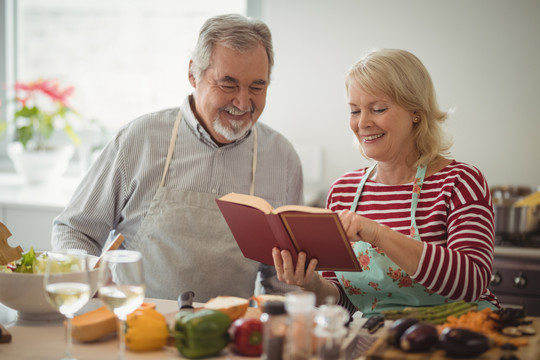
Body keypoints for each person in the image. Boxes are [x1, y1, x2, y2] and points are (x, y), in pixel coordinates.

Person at [52, 14, 304, 302]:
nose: (243, 102)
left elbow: (284, 283)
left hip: (229, 337)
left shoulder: (282, 159)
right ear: (193, 74)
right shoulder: (139, 139)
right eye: (228, 84)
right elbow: (75, 230)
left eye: (257, 87)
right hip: (135, 325)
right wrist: (88, 278)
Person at [272, 48, 500, 316]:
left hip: (460, 335)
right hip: (381, 338)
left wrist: (378, 233)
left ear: (415, 111)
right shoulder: (343, 192)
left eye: (378, 109)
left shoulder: (461, 182)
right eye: (355, 111)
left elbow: (471, 282)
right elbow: (346, 301)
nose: (363, 123)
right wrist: (311, 283)